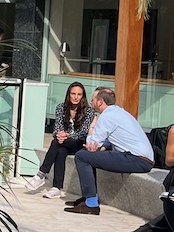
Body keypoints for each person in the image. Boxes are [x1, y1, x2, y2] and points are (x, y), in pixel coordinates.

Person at [66, 87, 154, 215]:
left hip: (136, 159)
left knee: (82, 156)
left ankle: (91, 204)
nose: (91, 102)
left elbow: (91, 145)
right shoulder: (119, 112)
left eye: (93, 100)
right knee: (91, 156)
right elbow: (106, 142)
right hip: (140, 159)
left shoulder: (107, 116)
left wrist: (92, 126)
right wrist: (101, 147)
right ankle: (89, 197)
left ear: (100, 102)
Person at [26, 82, 93, 199]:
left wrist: (67, 135)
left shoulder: (88, 111)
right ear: (68, 94)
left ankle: (41, 174)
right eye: (73, 94)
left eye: (79, 94)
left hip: (78, 143)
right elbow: (56, 128)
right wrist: (60, 134)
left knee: (56, 142)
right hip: (64, 143)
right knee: (60, 151)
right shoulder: (61, 108)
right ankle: (56, 188)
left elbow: (83, 132)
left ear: (83, 96)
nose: (76, 97)